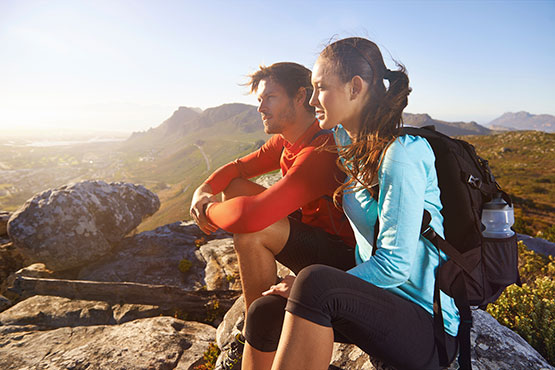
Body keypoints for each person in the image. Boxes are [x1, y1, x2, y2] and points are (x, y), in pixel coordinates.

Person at [241, 38, 461, 370]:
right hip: (371, 298)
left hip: (425, 323)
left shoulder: (403, 155)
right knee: (263, 311)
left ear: (355, 88)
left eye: (320, 88)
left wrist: (305, 285)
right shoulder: (345, 140)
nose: (313, 99)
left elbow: (394, 266)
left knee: (312, 282)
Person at [189, 62, 355, 370]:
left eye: (270, 98)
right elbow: (237, 171)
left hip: (343, 259)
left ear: (300, 96)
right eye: (259, 101)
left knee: (252, 230)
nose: (261, 108)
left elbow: (253, 217)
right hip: (314, 238)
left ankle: (262, 329)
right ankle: (261, 321)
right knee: (237, 188)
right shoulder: (287, 139)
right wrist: (203, 190)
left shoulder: (320, 146)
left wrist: (209, 211)